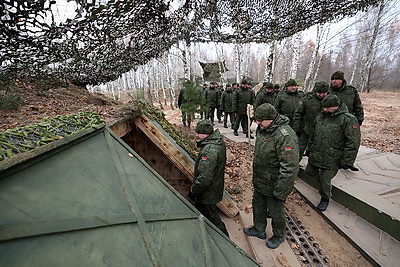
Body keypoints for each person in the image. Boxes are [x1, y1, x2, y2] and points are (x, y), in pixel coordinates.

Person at [243, 103, 299, 249]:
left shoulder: (285, 136)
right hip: (261, 180)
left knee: (276, 211)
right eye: (257, 120)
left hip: (275, 184)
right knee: (258, 205)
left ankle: (279, 235)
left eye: (260, 120)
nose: (257, 123)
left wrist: (281, 191)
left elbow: (290, 167)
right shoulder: (263, 129)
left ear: (271, 119)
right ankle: (259, 228)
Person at [305, 94, 361, 211]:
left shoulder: (348, 119)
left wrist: (347, 160)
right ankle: (322, 182)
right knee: (309, 172)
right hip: (317, 154)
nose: (325, 110)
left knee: (325, 180)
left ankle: (325, 198)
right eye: (324, 107)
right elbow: (313, 134)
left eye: (328, 108)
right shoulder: (321, 116)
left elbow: (353, 142)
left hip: (333, 158)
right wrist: (309, 149)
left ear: (336, 106)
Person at [188, 120, 229, 237]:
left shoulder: (210, 151)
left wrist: (193, 191)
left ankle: (225, 238)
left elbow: (204, 178)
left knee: (213, 217)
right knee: (204, 213)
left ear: (206, 134)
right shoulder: (217, 142)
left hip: (207, 193)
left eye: (199, 133)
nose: (196, 135)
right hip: (213, 188)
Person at [292, 81, 330, 160]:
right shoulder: (307, 99)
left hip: (323, 133)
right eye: (319, 92)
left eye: (323, 93)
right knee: (297, 152)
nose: (321, 95)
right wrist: (297, 128)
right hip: (306, 131)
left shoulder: (331, 100)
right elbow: (298, 114)